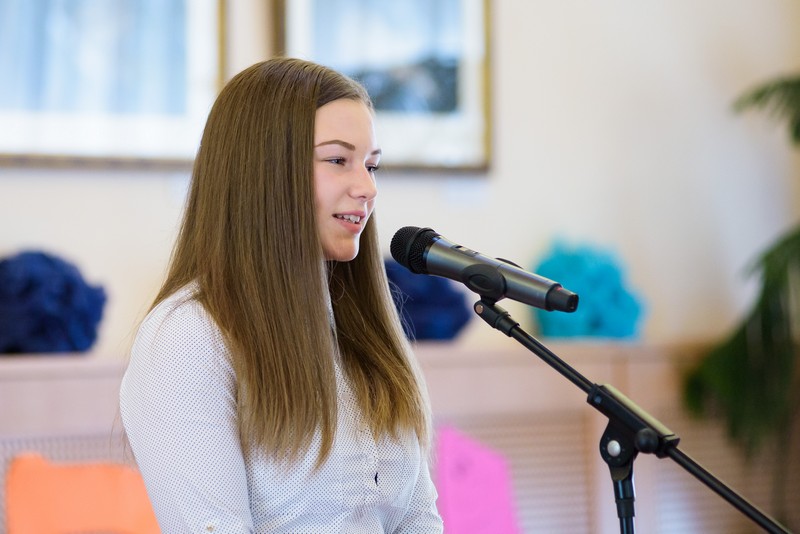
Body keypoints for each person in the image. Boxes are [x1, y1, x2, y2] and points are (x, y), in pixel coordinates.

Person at [119, 57, 443, 533]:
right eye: (338, 160)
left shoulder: (363, 333)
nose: (367, 188)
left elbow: (419, 519)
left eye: (371, 165)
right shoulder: (187, 337)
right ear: (264, 172)